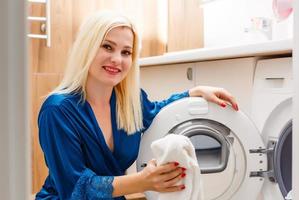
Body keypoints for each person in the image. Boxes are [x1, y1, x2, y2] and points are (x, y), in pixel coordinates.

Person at [35, 10, 239, 200]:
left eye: (126, 52)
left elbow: (157, 110)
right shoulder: (58, 110)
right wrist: (143, 182)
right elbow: (76, 188)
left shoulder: (130, 101)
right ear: (86, 48)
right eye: (107, 47)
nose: (117, 59)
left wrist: (193, 92)